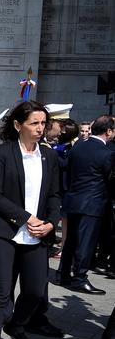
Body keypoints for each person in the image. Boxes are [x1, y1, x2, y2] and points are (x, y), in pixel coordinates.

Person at [0, 101, 60, 339]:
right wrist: (27, 218)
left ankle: (17, 325)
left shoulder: (49, 157)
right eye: (34, 123)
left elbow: (55, 196)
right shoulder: (3, 153)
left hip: (38, 234)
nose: (40, 129)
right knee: (0, 293)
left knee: (36, 290)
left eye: (43, 123)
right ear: (18, 125)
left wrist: (50, 223)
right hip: (3, 230)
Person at [57, 115, 115, 294]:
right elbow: (110, 180)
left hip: (73, 200)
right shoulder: (107, 153)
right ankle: (80, 278)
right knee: (86, 243)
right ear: (109, 131)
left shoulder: (78, 147)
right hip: (93, 203)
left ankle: (64, 274)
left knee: (71, 241)